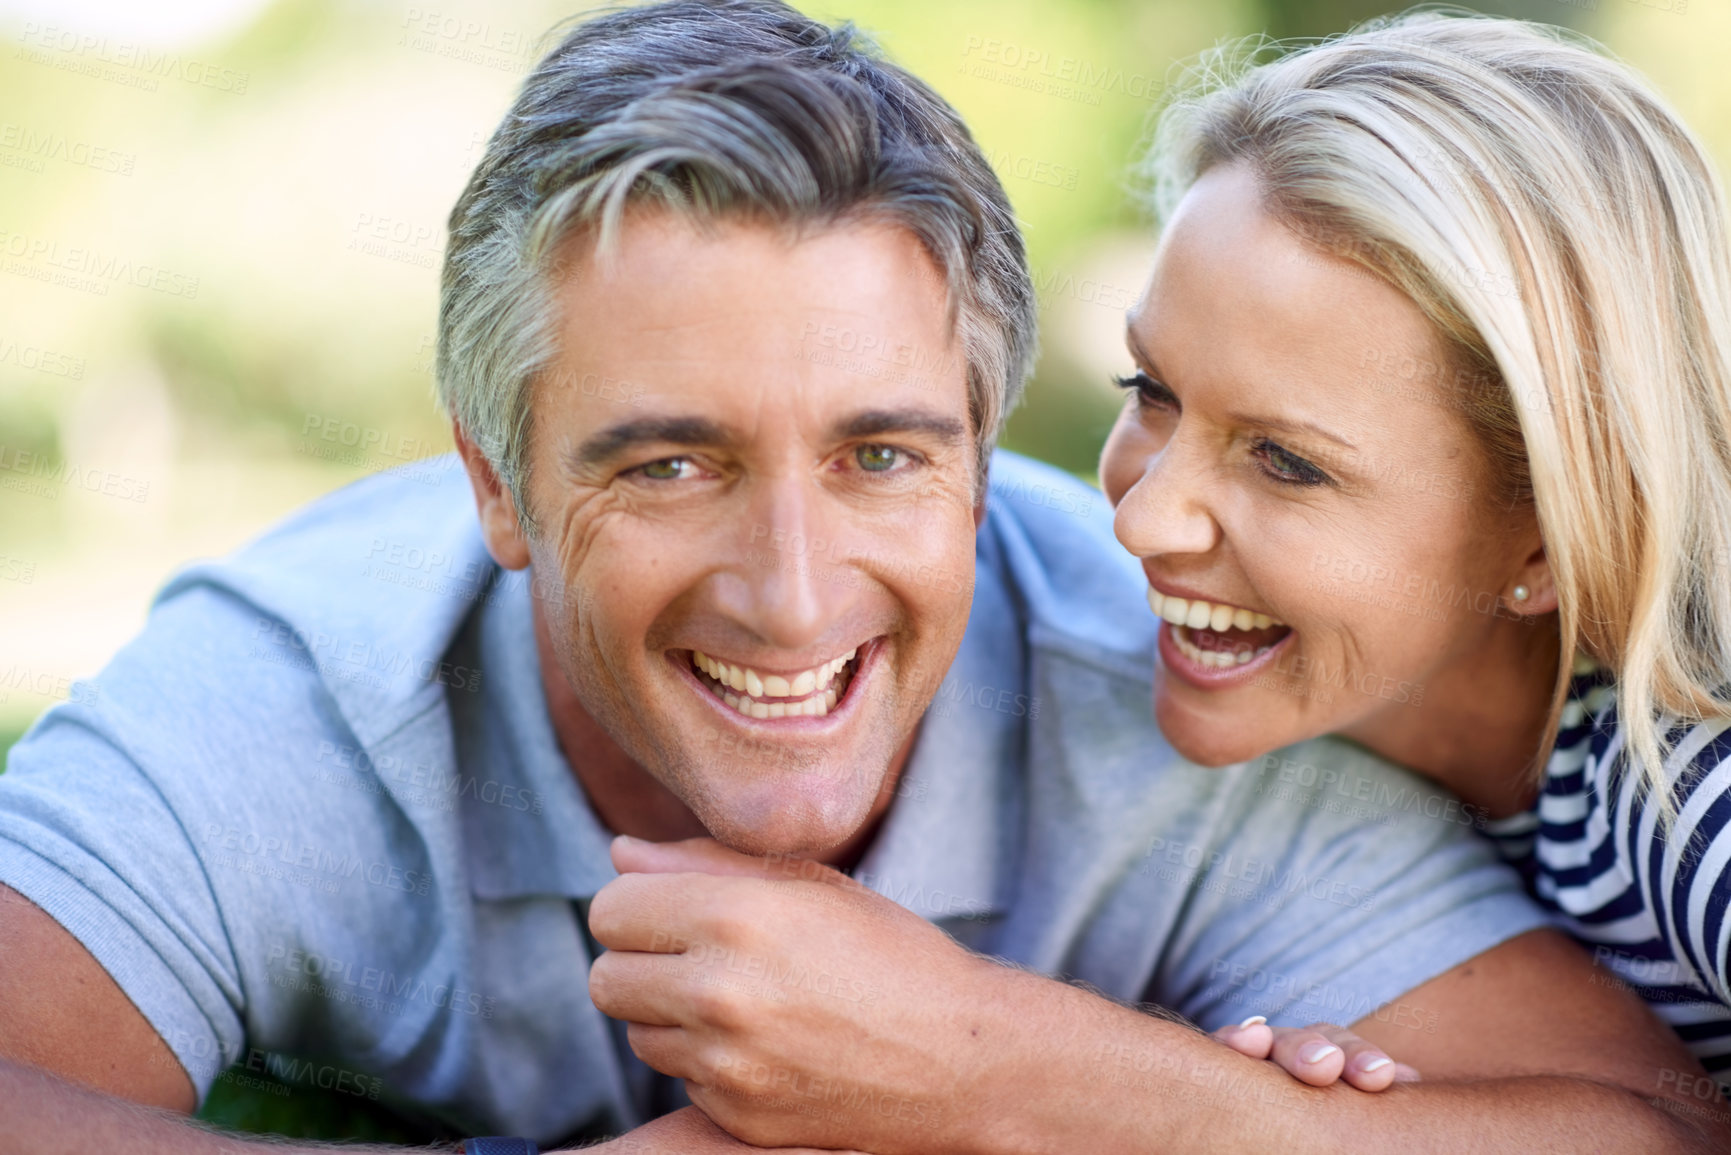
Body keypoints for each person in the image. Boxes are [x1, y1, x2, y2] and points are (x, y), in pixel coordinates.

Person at [0, 4, 1717, 1154]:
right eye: (670, 461)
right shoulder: (287, 695)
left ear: (983, 456)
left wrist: (973, 1061)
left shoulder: (1175, 695)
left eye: (884, 454)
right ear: (495, 484)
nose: (793, 591)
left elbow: (1648, 1125)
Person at [1086, 11, 1731, 1103]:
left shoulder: (1687, 794)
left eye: (1286, 462)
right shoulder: (1350, 741)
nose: (1146, 521)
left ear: (1550, 538)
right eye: (1151, 392)